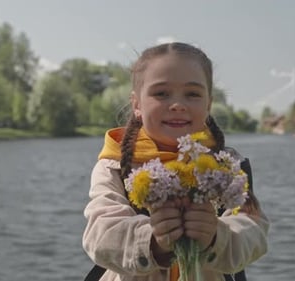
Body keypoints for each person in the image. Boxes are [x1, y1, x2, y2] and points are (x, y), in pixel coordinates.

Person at [82, 42, 269, 281]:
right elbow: (99, 236)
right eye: (161, 93)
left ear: (208, 104)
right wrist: (152, 241)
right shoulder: (114, 166)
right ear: (137, 104)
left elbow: (255, 233)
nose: (178, 104)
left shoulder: (227, 166)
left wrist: (216, 236)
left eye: (192, 94)